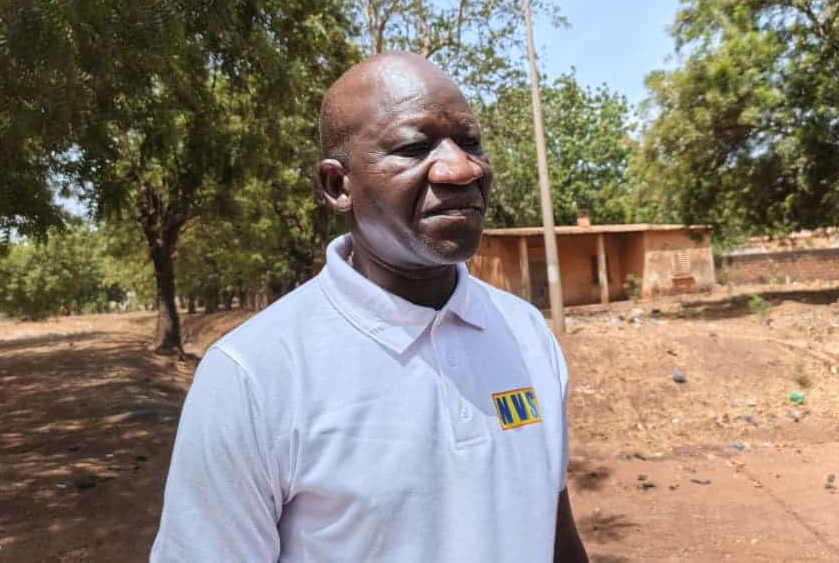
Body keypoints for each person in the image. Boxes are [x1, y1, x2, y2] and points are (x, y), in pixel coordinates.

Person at [151, 51, 588, 562]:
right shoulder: (253, 376)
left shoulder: (526, 333)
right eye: (414, 147)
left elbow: (553, 531)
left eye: (470, 143)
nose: (461, 168)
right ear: (338, 186)